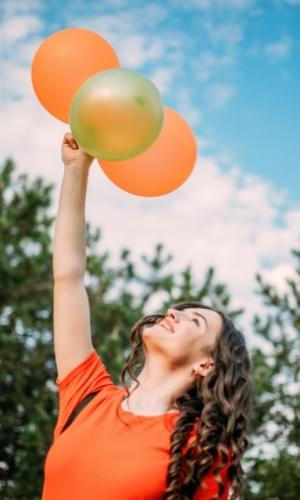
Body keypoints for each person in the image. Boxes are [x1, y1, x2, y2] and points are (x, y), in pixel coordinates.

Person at [41, 132, 253, 500]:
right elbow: (68, 277)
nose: (174, 313)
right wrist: (77, 169)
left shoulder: (201, 449)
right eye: (181, 310)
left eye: (195, 321)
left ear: (206, 364)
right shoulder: (87, 395)